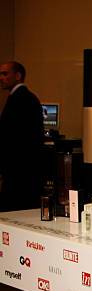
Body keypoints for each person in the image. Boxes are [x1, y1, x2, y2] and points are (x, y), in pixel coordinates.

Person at [0, 61, 44, 211]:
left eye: (5, 74)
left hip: (18, 170)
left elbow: (10, 135)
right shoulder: (29, 98)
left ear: (18, 76)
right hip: (25, 169)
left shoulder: (19, 99)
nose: (1, 77)